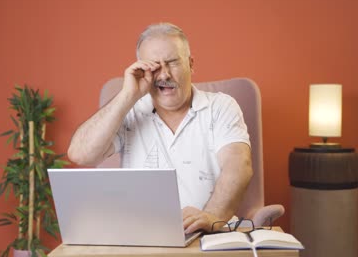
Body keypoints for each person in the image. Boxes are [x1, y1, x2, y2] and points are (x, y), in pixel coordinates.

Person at [68, 23, 253, 234]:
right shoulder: (130, 111)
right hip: (143, 237)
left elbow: (239, 166)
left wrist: (212, 217)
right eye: (154, 66)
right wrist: (127, 96)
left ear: (191, 64)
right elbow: (80, 154)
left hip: (208, 237)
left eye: (172, 62)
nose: (164, 74)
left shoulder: (221, 106)